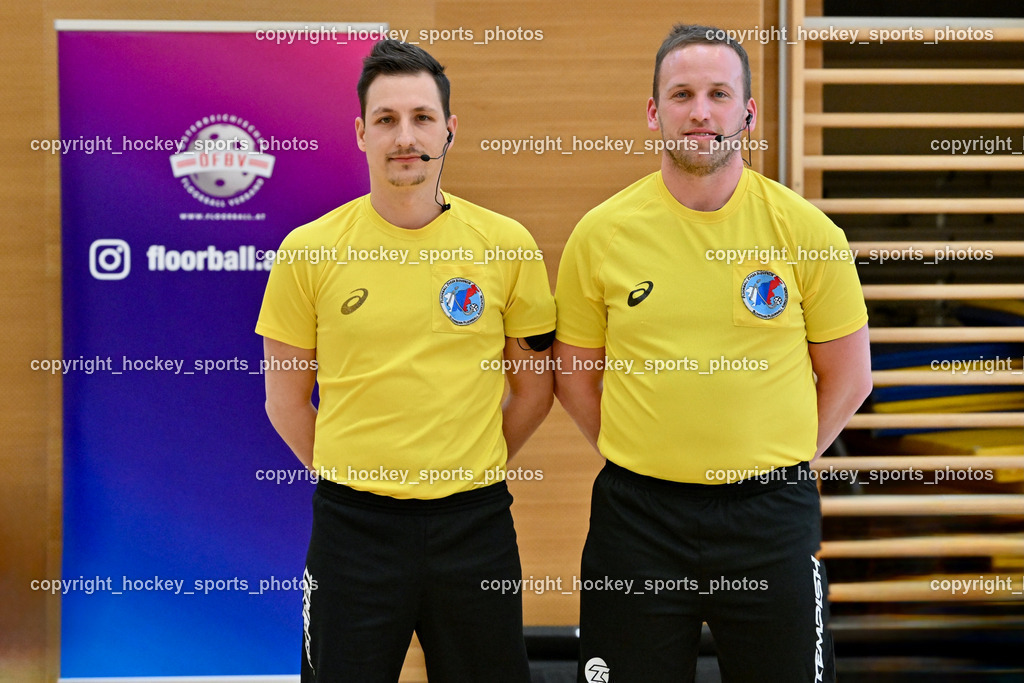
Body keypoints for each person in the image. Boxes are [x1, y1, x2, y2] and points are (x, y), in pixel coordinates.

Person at [554, 24, 871, 683]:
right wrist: (644, 451)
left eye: (719, 93)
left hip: (770, 519)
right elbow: (576, 378)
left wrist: (777, 455)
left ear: (748, 113)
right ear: (653, 113)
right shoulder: (601, 234)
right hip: (637, 520)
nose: (701, 112)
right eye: (682, 94)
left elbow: (850, 374)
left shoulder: (806, 232)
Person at [256, 39, 556, 683]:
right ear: (361, 133)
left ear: (450, 130)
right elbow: (284, 401)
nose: (405, 136)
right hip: (351, 533)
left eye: (422, 117)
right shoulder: (308, 251)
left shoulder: (507, 245)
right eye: (387, 120)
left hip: (473, 527)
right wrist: (355, 474)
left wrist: (464, 460)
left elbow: (534, 391)